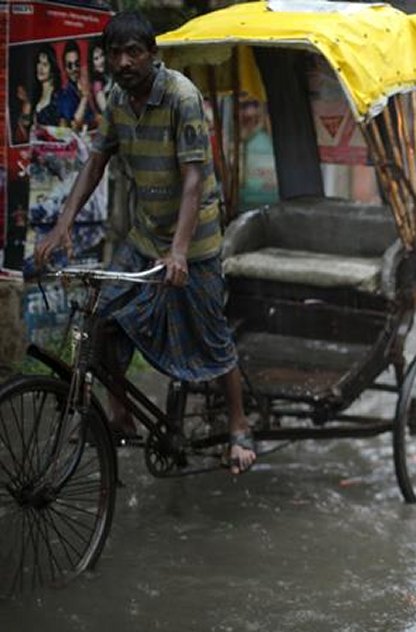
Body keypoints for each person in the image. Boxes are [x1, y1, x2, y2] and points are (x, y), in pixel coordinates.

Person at [33, 10, 256, 474]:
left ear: (152, 55)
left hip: (192, 241)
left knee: (211, 337)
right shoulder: (115, 97)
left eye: (134, 51)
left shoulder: (181, 96)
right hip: (143, 234)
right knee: (102, 325)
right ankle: (121, 416)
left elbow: (194, 178)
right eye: (115, 53)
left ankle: (238, 425)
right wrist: (62, 224)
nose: (124, 61)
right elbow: (96, 162)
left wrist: (178, 250)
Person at [14, 44, 66, 142]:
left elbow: (64, 134)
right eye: (39, 63)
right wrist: (26, 103)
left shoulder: (60, 97)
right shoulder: (35, 97)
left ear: (52, 69)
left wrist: (43, 132)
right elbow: (22, 134)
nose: (40, 68)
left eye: (45, 64)